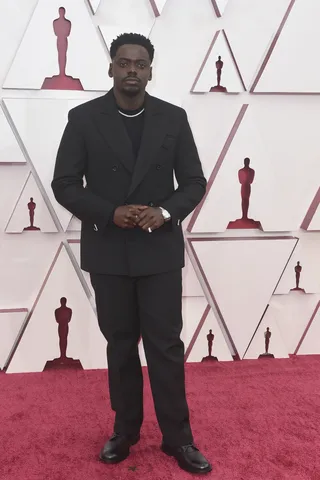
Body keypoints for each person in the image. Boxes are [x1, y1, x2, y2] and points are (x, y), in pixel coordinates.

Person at [51, 33, 211, 474]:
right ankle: (125, 431)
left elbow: (194, 182)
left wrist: (163, 211)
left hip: (158, 250)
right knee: (120, 345)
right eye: (124, 63)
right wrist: (110, 212)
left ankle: (178, 439)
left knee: (166, 346)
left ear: (151, 70)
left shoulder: (173, 119)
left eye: (141, 64)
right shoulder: (83, 118)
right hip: (110, 249)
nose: (132, 71)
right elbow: (64, 183)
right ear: (111, 68)